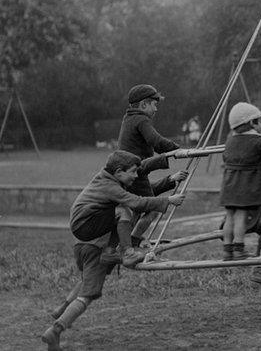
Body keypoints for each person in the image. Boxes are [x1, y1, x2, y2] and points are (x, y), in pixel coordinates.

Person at [42, 151, 185, 351]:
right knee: (88, 294)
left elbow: (143, 195)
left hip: (85, 243)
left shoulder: (110, 183)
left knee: (86, 280)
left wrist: (170, 180)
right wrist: (168, 200)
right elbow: (138, 201)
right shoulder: (114, 190)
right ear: (119, 171)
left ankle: (63, 309)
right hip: (95, 246)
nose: (136, 176)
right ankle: (55, 330)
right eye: (134, 172)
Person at [220, 102, 261, 262]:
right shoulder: (257, 141)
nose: (259, 125)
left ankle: (227, 251)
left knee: (230, 217)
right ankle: (238, 249)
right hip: (245, 189)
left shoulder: (230, 141)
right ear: (250, 123)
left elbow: (226, 157)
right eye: (257, 121)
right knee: (241, 217)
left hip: (229, 187)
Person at [116, 84, 181, 249]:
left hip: (127, 172)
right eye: (154, 104)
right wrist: (178, 149)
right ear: (143, 104)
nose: (156, 109)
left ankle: (125, 241)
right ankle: (132, 240)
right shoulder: (141, 119)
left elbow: (155, 145)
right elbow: (156, 141)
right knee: (152, 208)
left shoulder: (128, 119)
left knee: (138, 207)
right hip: (136, 171)